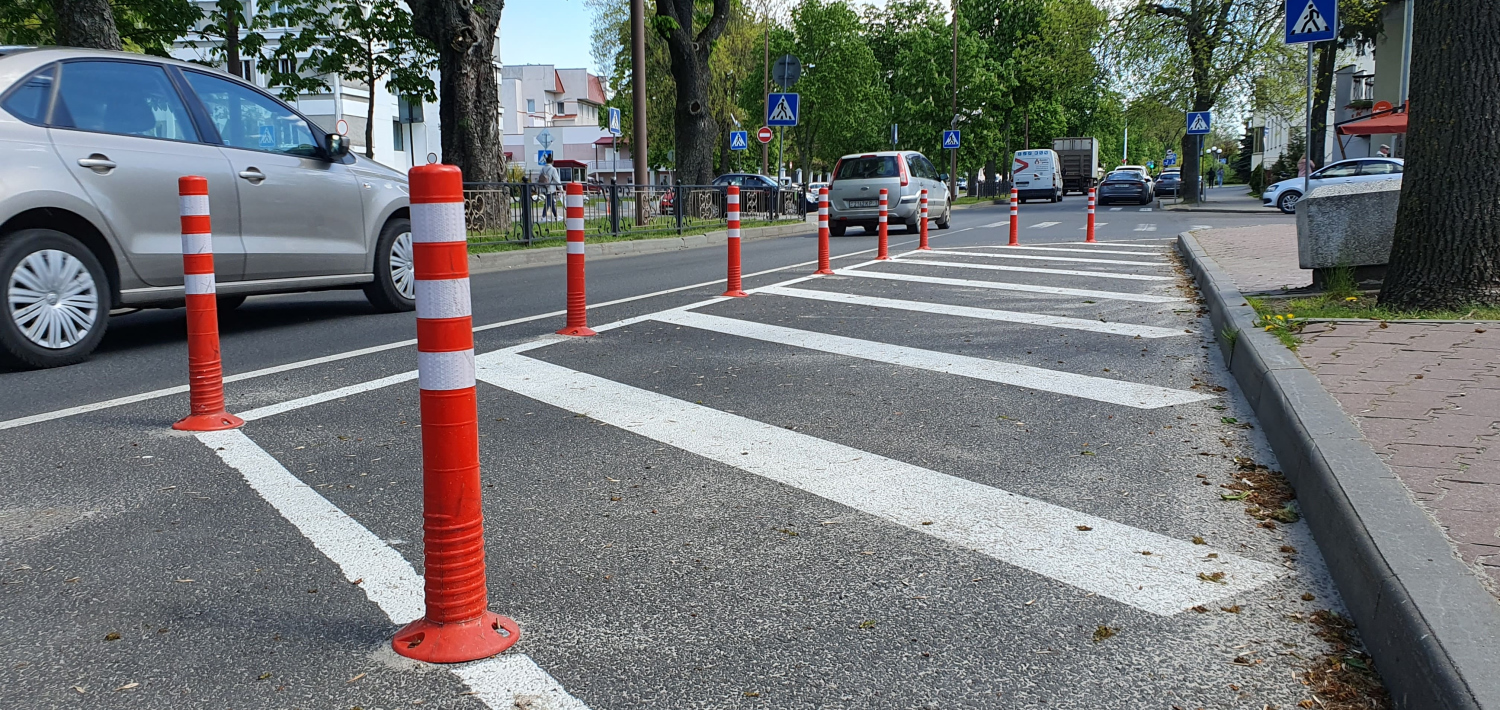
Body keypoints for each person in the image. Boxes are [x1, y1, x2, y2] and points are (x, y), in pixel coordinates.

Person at [539, 154, 561, 221]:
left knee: (551, 202)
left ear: (546, 161)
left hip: (544, 187)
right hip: (550, 188)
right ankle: (543, 216)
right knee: (548, 202)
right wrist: (560, 188)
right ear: (552, 161)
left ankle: (556, 216)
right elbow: (556, 179)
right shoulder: (553, 169)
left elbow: (540, 177)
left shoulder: (543, 168)